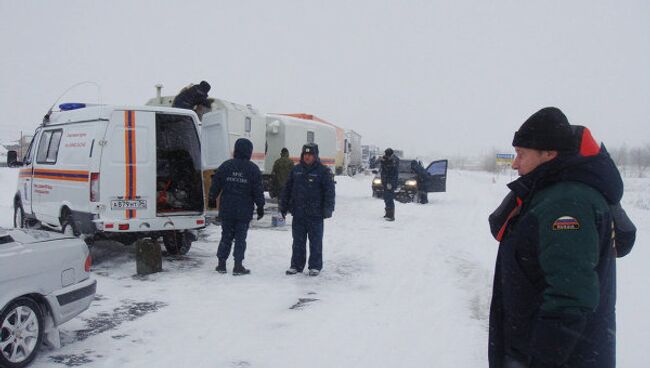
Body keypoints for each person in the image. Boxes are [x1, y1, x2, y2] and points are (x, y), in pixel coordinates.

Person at [487, 107, 635, 368]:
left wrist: (541, 360)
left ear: (549, 154)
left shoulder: (566, 203)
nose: (514, 163)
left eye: (521, 154)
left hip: (557, 357)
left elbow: (569, 299)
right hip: (540, 346)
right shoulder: (550, 192)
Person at [208, 138, 265, 275]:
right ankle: (238, 265)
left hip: (227, 209)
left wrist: (212, 198)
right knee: (240, 238)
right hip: (243, 211)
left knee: (226, 236)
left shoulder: (226, 166)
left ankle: (221, 264)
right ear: (249, 152)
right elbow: (258, 190)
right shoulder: (253, 169)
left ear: (236, 150)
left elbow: (215, 183)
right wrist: (260, 206)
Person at [279, 143, 335, 276]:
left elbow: (329, 192)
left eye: (310, 155)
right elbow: (287, 189)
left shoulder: (323, 171)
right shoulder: (296, 170)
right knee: (298, 241)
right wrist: (284, 205)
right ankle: (296, 265)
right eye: (305, 154)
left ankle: (315, 266)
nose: (307, 157)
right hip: (298, 213)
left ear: (315, 156)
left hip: (316, 214)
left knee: (315, 241)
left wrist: (328, 208)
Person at [380, 148, 399, 221]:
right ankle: (387, 213)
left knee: (389, 198)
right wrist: (383, 161)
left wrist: (390, 183)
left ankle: (391, 216)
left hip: (390, 183)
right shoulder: (387, 159)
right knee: (386, 198)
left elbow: (392, 173)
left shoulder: (394, 161)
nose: (386, 156)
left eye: (387, 154)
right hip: (385, 182)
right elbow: (384, 169)